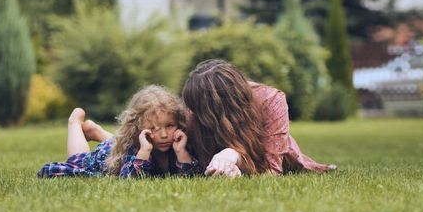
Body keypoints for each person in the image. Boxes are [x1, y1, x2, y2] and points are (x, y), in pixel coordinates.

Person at [182, 59, 337, 177]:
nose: (195, 115)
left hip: (272, 160)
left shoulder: (271, 100)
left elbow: (273, 169)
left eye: (205, 111)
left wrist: (234, 155)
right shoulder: (195, 112)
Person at [37, 85, 202, 178]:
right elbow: (129, 179)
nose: (164, 135)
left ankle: (96, 132)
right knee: (78, 160)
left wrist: (181, 152)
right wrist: (144, 151)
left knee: (118, 142)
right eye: (153, 129)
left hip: (118, 145)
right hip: (107, 154)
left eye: (170, 125)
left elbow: (193, 176)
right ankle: (75, 123)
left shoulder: (179, 142)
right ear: (138, 129)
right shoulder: (135, 147)